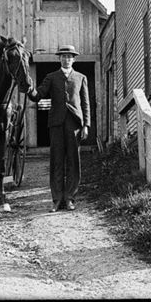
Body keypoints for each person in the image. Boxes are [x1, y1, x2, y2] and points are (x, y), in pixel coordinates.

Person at [27, 44, 90, 212]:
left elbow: (85, 103)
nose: (66, 59)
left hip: (75, 125)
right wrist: (28, 88)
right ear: (59, 59)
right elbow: (38, 95)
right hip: (56, 124)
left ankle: (70, 198)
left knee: (73, 161)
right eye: (63, 56)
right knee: (56, 161)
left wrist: (86, 125)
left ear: (74, 59)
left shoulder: (81, 77)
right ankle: (57, 199)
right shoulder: (51, 77)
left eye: (69, 56)